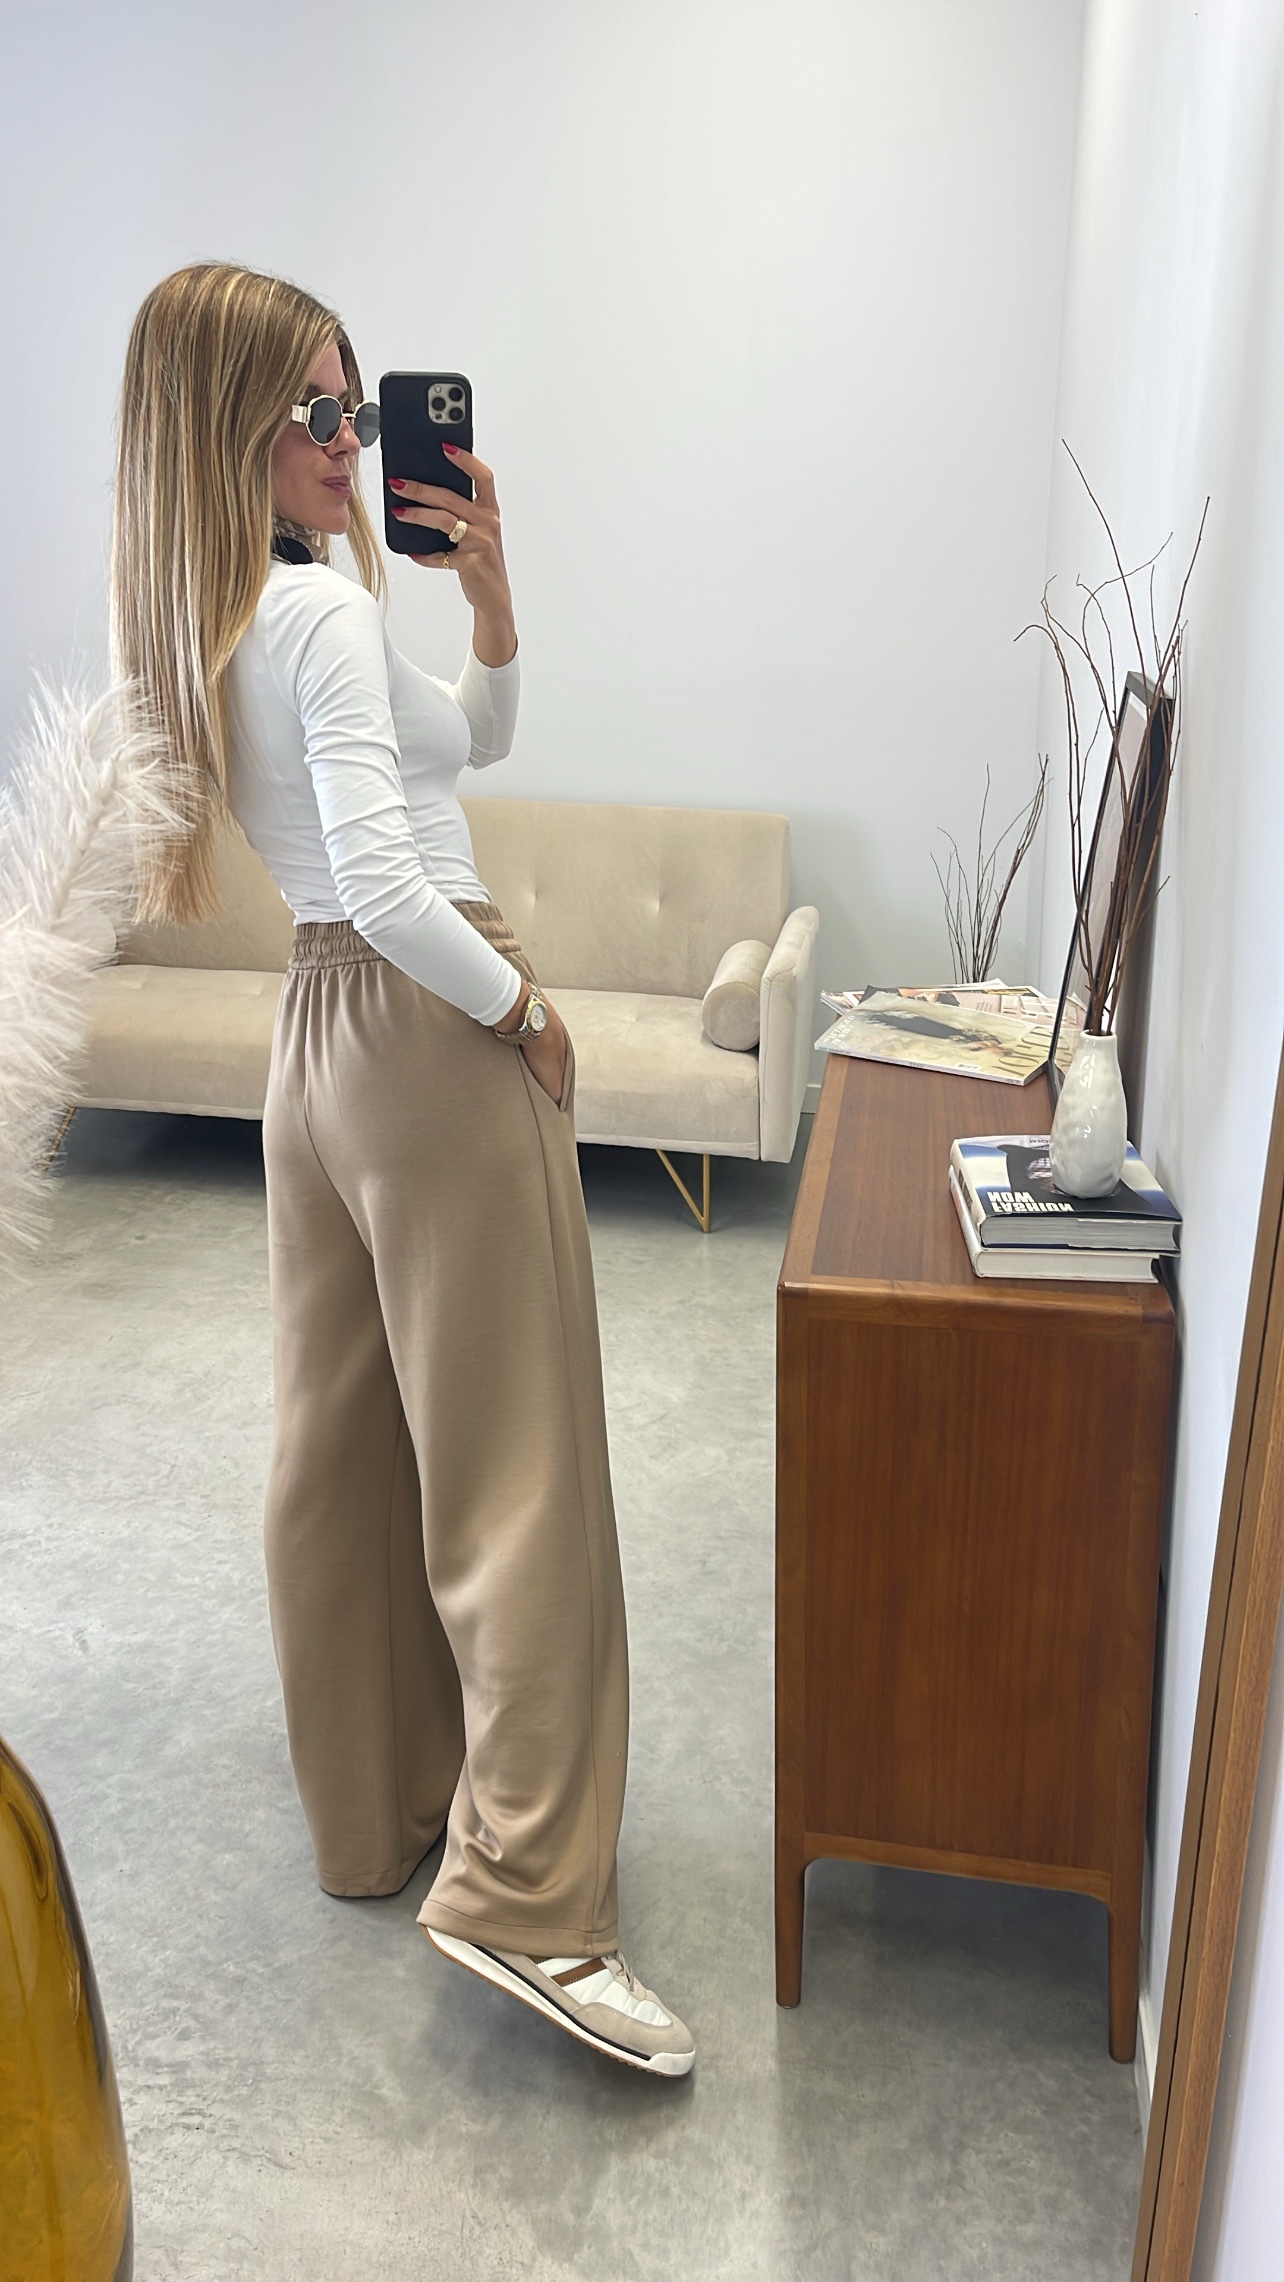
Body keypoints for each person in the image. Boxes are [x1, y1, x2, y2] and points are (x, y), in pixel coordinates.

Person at [111, 263, 693, 2077]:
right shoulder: (316, 618)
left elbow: (475, 739)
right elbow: (389, 873)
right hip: (430, 1025)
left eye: (358, 407)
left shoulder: (234, 618)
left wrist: (489, 596)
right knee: (522, 1474)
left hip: (316, 1049)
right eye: (316, 412)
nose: (351, 441)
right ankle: (530, 1898)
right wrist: (526, 1008)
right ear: (230, 429)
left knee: (343, 1452)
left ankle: (372, 1816)